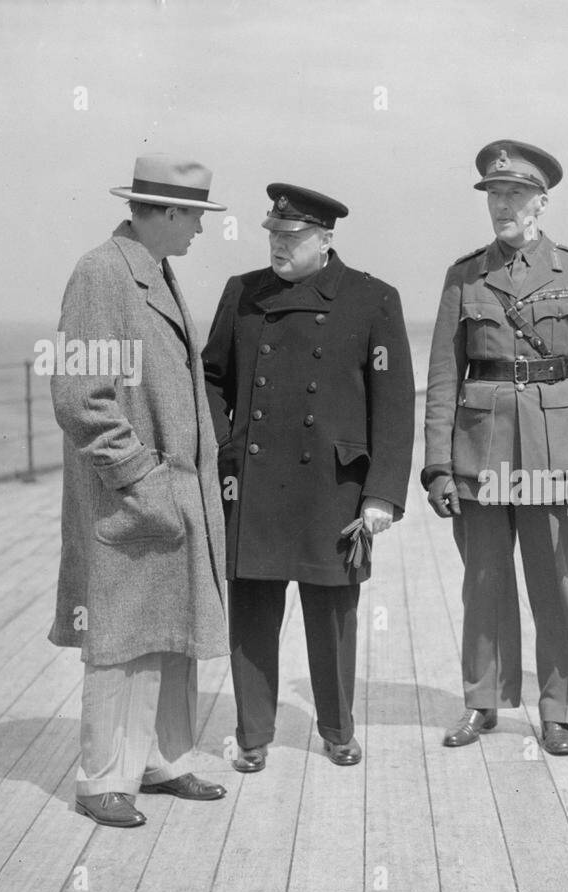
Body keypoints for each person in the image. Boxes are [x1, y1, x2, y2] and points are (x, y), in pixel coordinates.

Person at [202, 184, 414, 771]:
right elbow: (211, 378)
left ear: (324, 240)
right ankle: (252, 736)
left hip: (334, 487)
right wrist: (226, 448)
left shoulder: (372, 299)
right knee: (251, 614)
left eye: (291, 237)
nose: (278, 245)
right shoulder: (243, 293)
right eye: (272, 234)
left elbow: (394, 406)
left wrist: (382, 494)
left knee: (333, 616)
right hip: (254, 481)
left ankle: (338, 730)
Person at [421, 140, 568, 756]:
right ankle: (482, 701)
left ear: (541, 201)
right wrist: (437, 467)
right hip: (481, 454)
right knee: (483, 581)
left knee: (555, 582)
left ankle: (558, 710)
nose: (503, 205)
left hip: (554, 454)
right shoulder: (464, 276)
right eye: (494, 194)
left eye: (515, 193)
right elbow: (443, 377)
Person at [49, 153, 231, 828]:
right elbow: (80, 395)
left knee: (169, 628)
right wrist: (140, 479)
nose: (202, 230)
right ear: (169, 212)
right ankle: (102, 780)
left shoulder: (153, 268)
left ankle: (161, 762)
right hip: (132, 494)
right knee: (120, 634)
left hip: (170, 492)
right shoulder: (102, 272)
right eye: (196, 217)